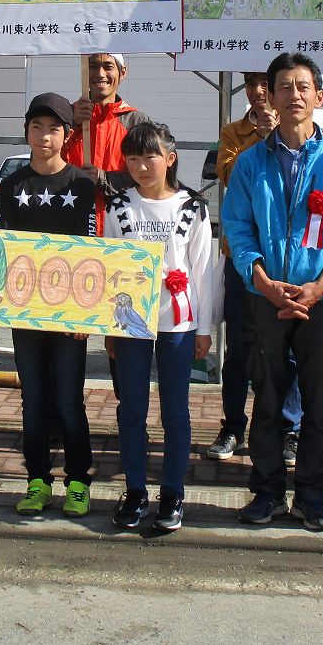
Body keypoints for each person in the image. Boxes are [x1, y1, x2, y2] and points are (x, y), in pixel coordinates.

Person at [222, 53, 323, 529]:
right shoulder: (249, 163)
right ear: (270, 94)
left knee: (318, 401)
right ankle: (266, 492)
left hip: (320, 301)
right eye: (283, 86)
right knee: (265, 399)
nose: (293, 94)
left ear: (319, 97)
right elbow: (238, 227)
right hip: (265, 298)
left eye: (302, 86)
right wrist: (262, 282)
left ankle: (311, 496)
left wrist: (322, 285)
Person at [103, 122, 214, 533]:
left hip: (179, 323)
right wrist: (109, 326)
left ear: (170, 159)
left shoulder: (193, 207)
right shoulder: (118, 207)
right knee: (131, 408)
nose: (140, 166)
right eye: (132, 158)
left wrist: (204, 328)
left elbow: (203, 271)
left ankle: (172, 491)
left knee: (175, 409)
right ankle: (134, 490)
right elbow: (110, 266)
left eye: (149, 157)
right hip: (130, 322)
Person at [0, 92, 98, 518]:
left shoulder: (83, 184)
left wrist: (85, 315)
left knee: (70, 401)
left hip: (70, 315)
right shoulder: (12, 185)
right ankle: (36, 479)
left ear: (68, 134)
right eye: (36, 127)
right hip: (25, 314)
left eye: (53, 128)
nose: (44, 135)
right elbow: (4, 249)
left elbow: (92, 251)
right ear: (26, 132)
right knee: (33, 400)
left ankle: (78, 482)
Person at [205, 71, 304, 468]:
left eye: (267, 83)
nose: (258, 92)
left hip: (290, 262)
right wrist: (262, 139)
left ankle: (289, 427)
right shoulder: (232, 132)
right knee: (240, 348)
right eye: (250, 83)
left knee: (289, 348)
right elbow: (228, 175)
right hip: (243, 259)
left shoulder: (302, 132)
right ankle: (232, 424)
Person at [62, 52, 152, 235]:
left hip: (121, 226)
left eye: (108, 67)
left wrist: (103, 179)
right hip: (70, 223)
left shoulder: (136, 121)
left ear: (123, 72)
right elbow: (43, 163)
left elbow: (151, 176)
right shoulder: (64, 115)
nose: (100, 74)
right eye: (93, 66)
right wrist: (73, 123)